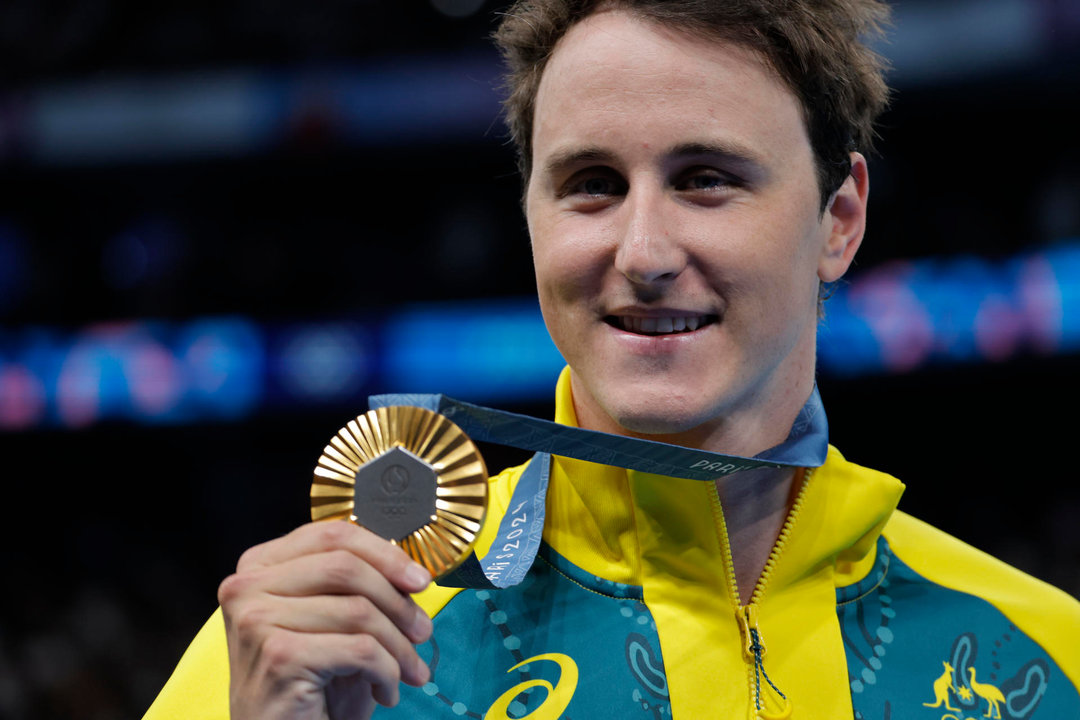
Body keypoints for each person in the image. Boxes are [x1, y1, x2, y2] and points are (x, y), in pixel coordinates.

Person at [145, 1, 1080, 718]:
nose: (642, 253)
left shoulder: (1042, 658)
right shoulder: (307, 654)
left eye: (706, 179)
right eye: (590, 186)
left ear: (840, 219)